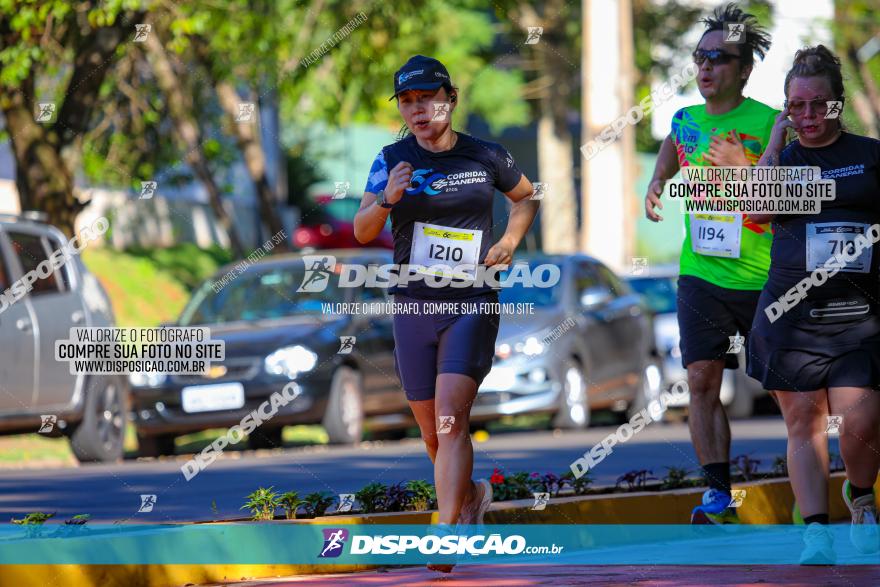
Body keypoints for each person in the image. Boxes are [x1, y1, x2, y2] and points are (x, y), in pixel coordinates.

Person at [353, 55, 540, 572]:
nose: (418, 110)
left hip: (470, 303)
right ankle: (473, 496)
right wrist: (387, 199)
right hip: (414, 306)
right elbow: (362, 230)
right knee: (433, 434)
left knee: (451, 419)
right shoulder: (390, 158)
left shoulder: (487, 154)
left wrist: (508, 240)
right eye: (407, 102)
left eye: (427, 99)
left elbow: (527, 198)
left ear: (450, 99)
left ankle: (445, 527)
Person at [747, 45, 880, 565]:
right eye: (795, 106)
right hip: (792, 317)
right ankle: (816, 532)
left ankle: (861, 494)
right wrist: (775, 143)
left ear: (838, 104)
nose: (807, 116)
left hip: (859, 319)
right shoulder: (783, 159)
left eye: (818, 105)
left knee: (861, 423)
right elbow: (756, 210)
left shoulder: (869, 155)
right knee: (803, 422)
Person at [644, 3, 777, 524]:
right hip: (701, 272)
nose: (705, 68)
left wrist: (746, 169)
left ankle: (834, 479)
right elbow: (672, 146)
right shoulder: (686, 119)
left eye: (719, 59)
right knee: (701, 378)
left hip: (767, 278)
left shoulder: (770, 122)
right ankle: (720, 497)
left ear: (743, 69)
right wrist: (658, 181)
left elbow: (790, 198)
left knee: (792, 391)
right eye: (700, 58)